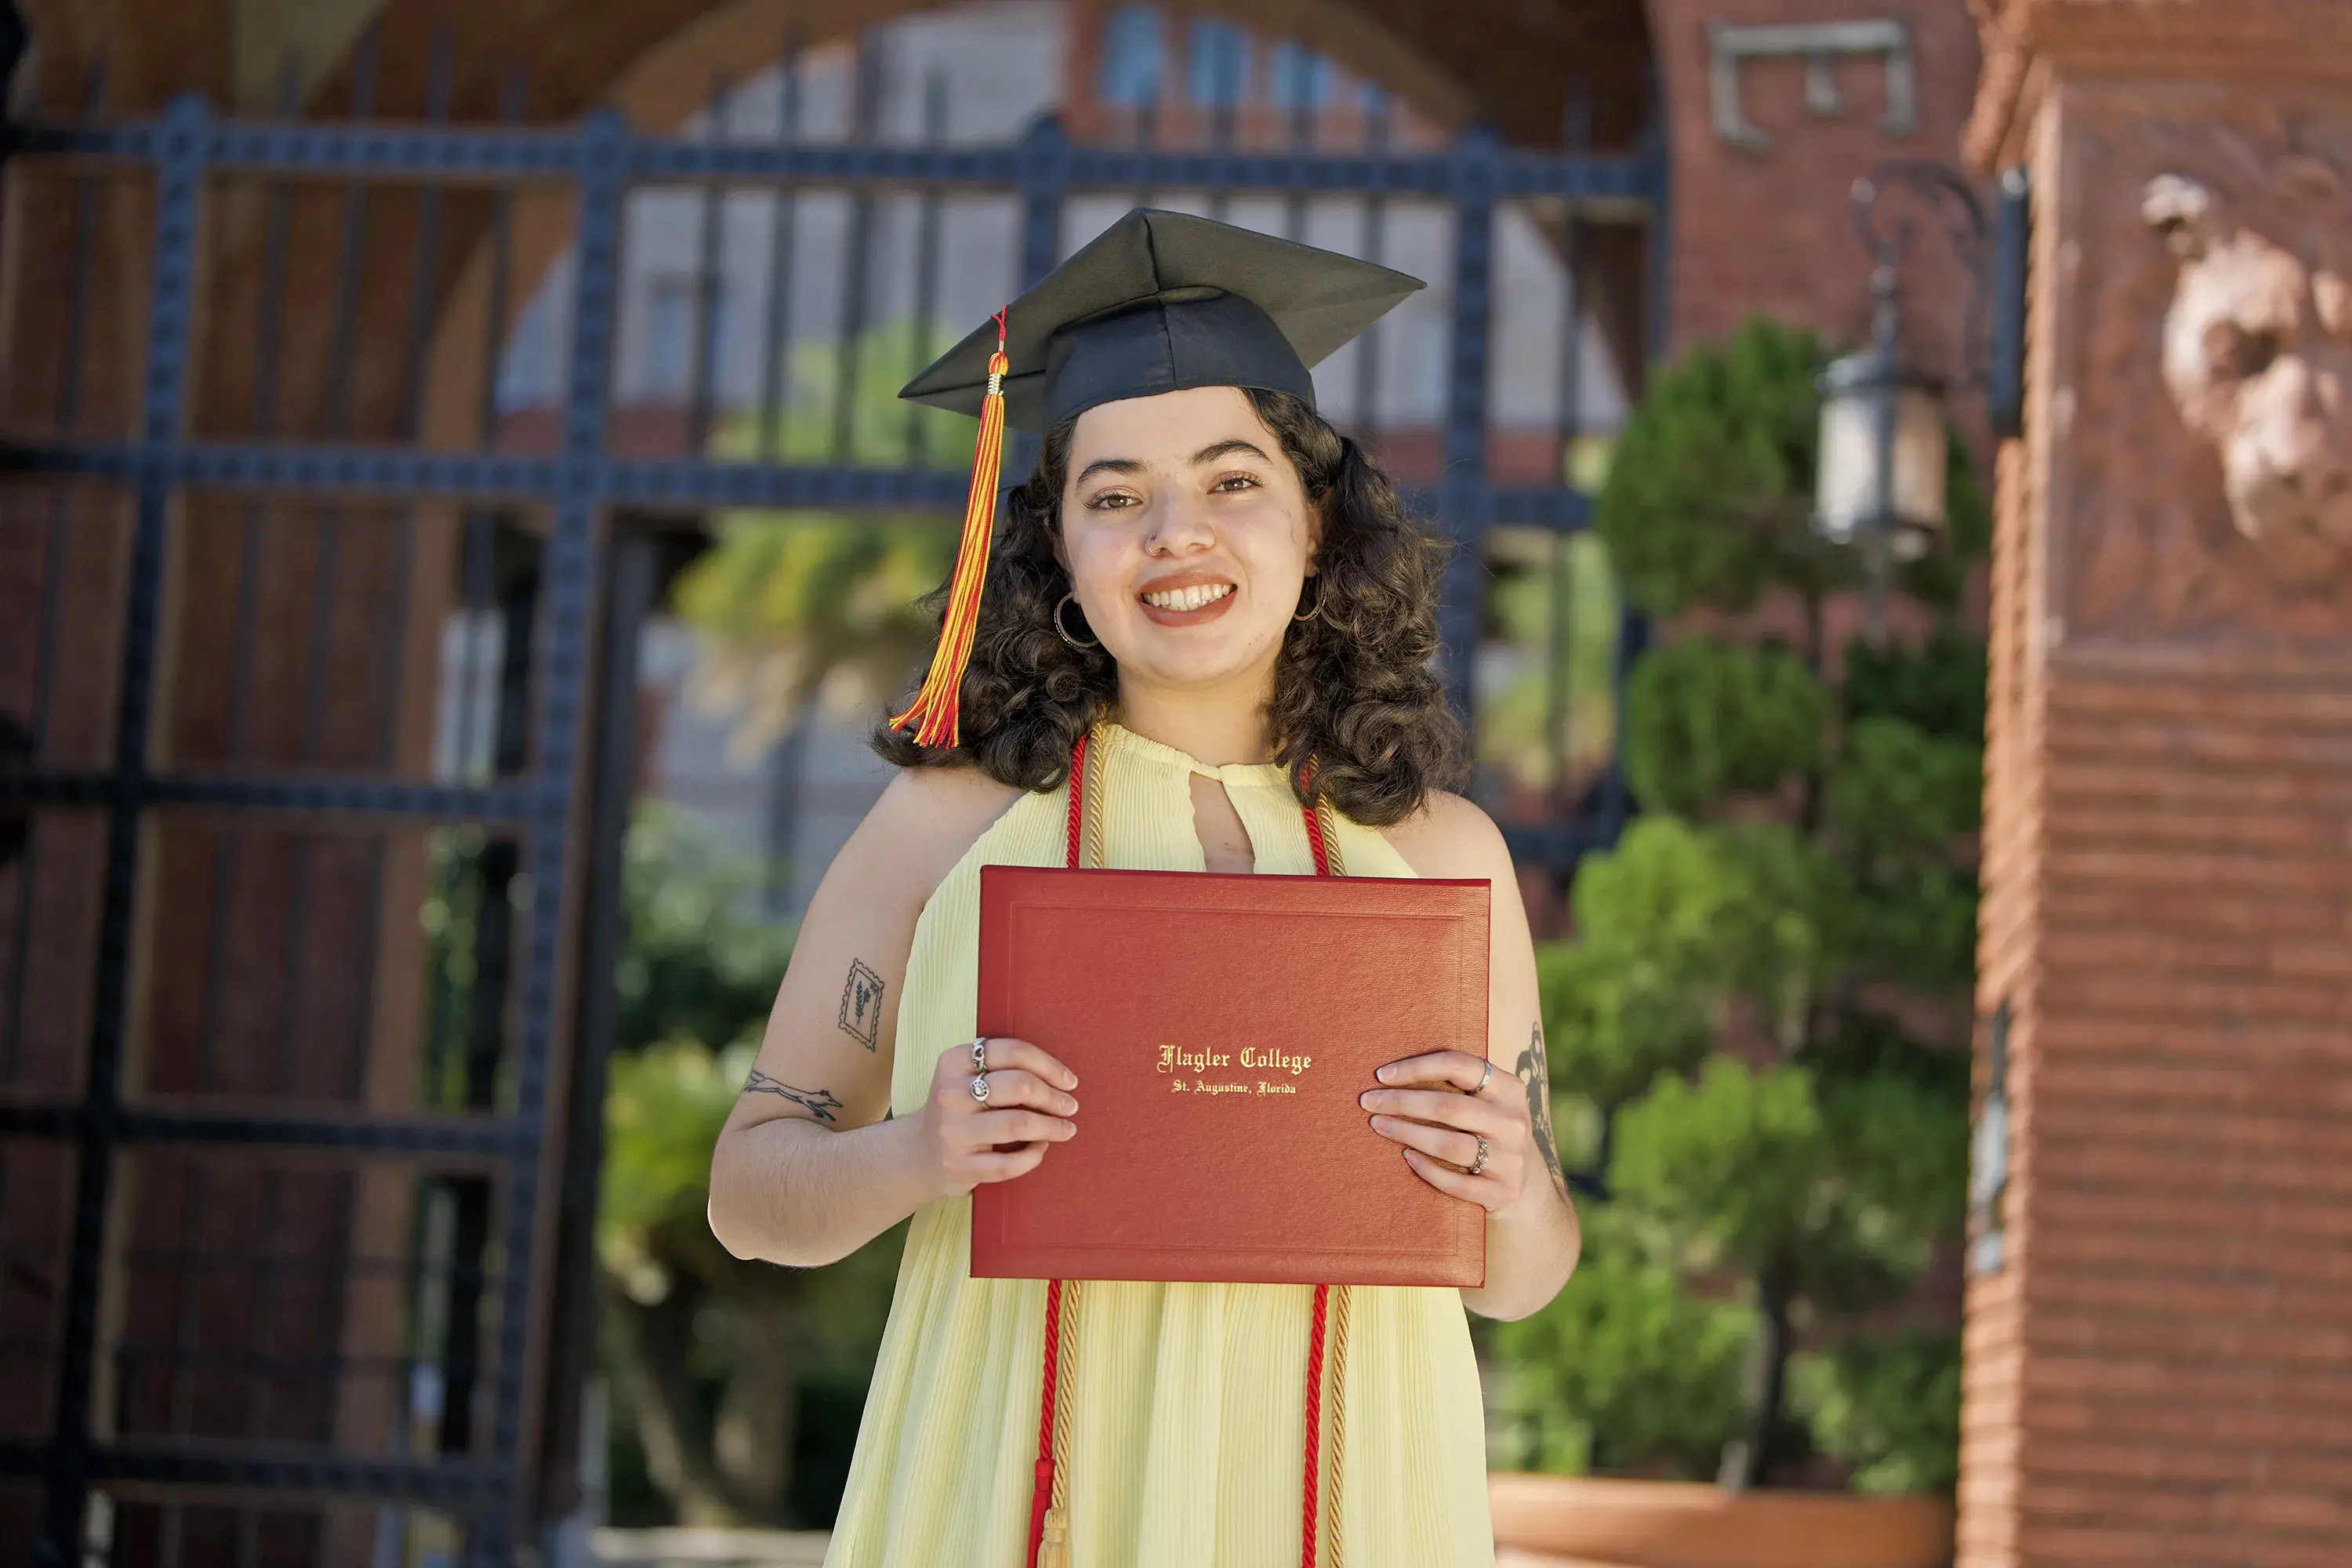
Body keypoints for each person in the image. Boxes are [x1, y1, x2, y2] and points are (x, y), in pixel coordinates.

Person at [706, 209, 1581, 1568]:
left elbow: (1523, 1279)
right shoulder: (947, 822)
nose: (1176, 533)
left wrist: (1515, 1186)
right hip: (1013, 1499)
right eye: (1114, 496)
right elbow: (750, 1192)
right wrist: (916, 1156)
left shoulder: (1444, 852)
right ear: (1061, 547)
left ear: (1319, 520)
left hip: (1351, 1506)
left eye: (1233, 481)